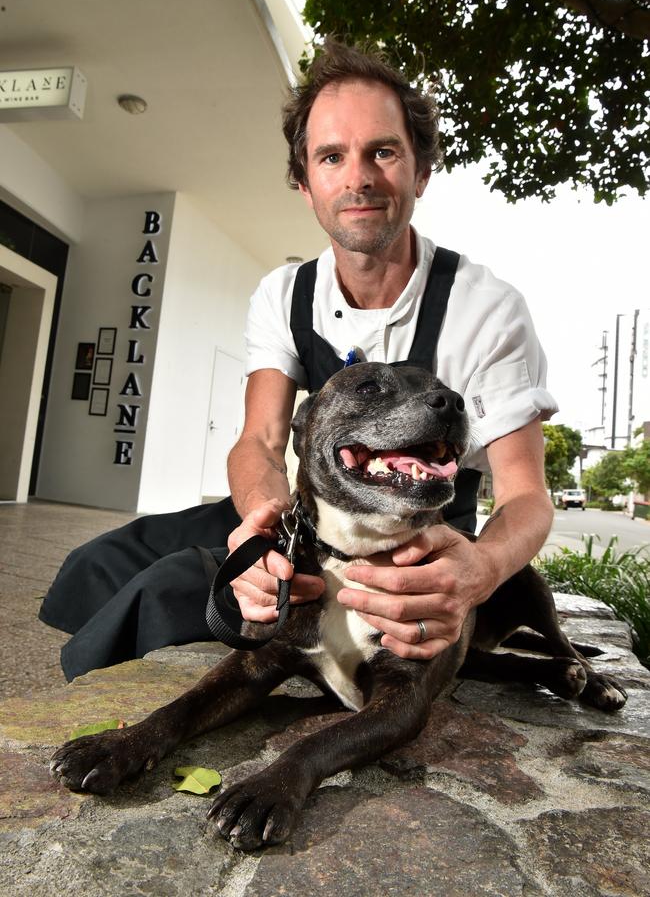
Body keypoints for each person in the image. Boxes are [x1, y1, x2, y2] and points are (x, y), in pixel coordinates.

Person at [40, 39, 556, 679]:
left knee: (173, 587)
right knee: (99, 564)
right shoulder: (284, 294)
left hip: (414, 534)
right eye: (331, 156)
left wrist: (478, 571)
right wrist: (262, 523)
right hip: (305, 515)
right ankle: (86, 702)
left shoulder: (486, 308)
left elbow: (526, 494)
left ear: (420, 171)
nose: (358, 177)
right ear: (305, 183)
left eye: (383, 152)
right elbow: (258, 439)